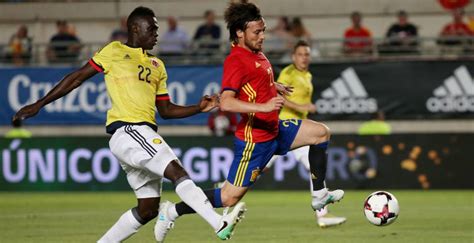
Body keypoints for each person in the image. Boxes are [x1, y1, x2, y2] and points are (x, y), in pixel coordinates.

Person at [12, 6, 246, 242]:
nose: (156, 33)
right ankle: (218, 222)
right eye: (152, 28)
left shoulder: (157, 65)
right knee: (177, 172)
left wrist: (198, 107)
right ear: (135, 28)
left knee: (148, 209)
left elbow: (165, 110)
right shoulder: (114, 51)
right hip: (129, 130)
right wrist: (39, 104)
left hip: (139, 136)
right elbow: (75, 78)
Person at [155, 2, 344, 241]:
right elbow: (226, 102)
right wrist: (264, 106)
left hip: (274, 130)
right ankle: (171, 211)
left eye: (263, 30)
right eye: (258, 31)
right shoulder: (235, 60)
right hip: (254, 141)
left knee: (321, 133)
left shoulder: (256, 52)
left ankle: (319, 195)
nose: (263, 36)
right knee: (227, 198)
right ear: (239, 33)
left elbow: (253, 80)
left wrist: (274, 86)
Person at [264, 40, 346, 228]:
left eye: (307, 54)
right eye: (301, 54)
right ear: (294, 57)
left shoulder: (307, 75)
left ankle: (322, 215)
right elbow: (277, 96)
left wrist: (305, 110)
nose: (304, 57)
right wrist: (302, 107)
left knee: (314, 168)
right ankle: (226, 187)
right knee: (259, 166)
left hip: (300, 131)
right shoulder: (288, 72)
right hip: (284, 127)